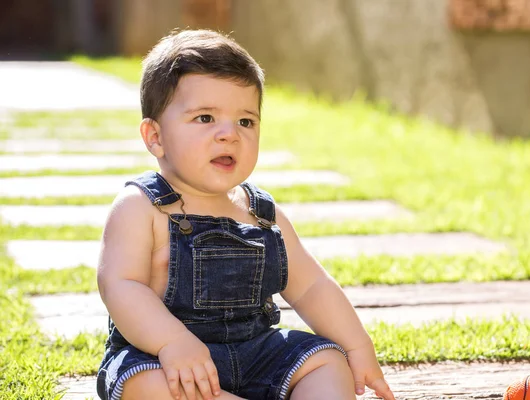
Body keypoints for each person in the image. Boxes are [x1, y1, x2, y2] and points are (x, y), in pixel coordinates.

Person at [96, 29, 394, 400]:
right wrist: (173, 341)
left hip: (256, 354)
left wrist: (357, 346)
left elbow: (312, 286)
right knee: (143, 385)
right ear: (155, 137)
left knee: (327, 360)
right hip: (165, 357)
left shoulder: (262, 213)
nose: (229, 135)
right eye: (205, 118)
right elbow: (120, 285)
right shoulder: (142, 207)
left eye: (245, 122)